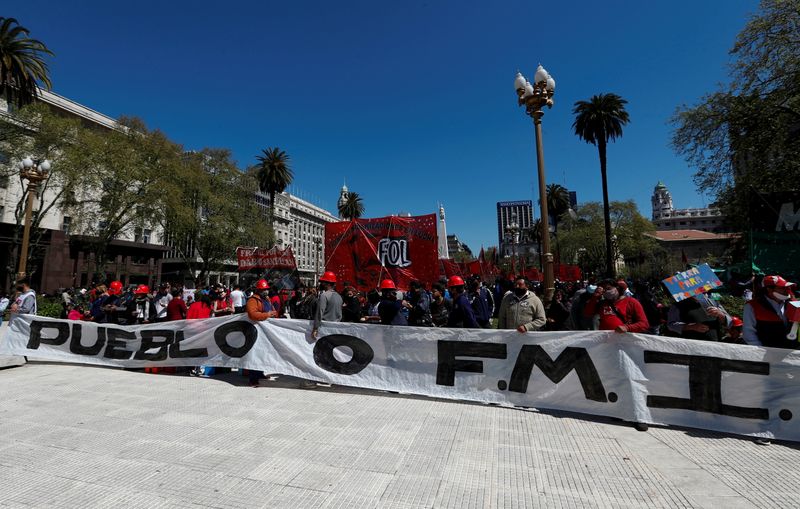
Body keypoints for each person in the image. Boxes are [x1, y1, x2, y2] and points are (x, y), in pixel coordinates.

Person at [743, 275, 797, 349]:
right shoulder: (752, 306)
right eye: (782, 288)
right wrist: (759, 351)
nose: (786, 290)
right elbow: (749, 332)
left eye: (787, 287)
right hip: (766, 352)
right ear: (769, 289)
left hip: (791, 352)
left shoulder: (793, 303)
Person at [583, 279, 650, 334]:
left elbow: (644, 324)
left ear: (617, 288)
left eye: (608, 288)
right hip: (606, 344)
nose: (606, 291)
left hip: (625, 343)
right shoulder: (602, 303)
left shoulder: (631, 302)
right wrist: (595, 297)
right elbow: (587, 313)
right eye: (604, 290)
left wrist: (627, 328)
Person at [245, 279, 278, 386]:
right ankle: (253, 378)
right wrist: (267, 315)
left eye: (267, 289)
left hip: (266, 331)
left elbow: (272, 310)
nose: (266, 291)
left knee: (263, 353)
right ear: (258, 290)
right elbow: (252, 314)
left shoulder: (267, 299)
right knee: (255, 354)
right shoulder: (253, 300)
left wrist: (273, 314)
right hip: (256, 330)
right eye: (264, 289)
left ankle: (259, 373)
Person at [311, 271, 343, 339]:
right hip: (335, 328)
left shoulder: (324, 295)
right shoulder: (339, 296)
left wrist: (315, 328)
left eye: (323, 282)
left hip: (325, 329)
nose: (321, 284)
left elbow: (320, 312)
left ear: (327, 284)